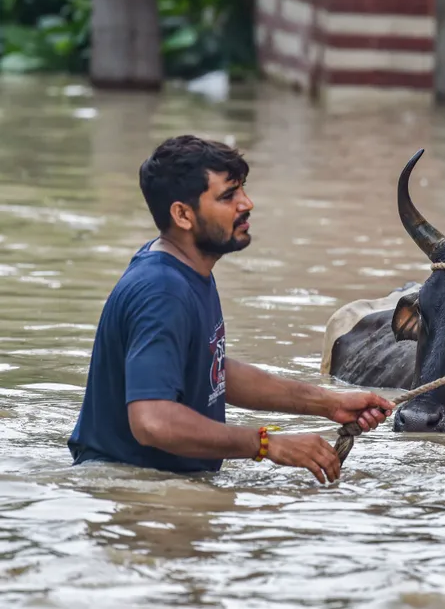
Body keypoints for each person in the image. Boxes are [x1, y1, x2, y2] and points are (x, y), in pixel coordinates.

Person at [67, 135, 394, 483]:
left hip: (163, 482)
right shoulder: (162, 291)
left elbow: (212, 369)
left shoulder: (184, 269)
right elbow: (153, 421)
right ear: (182, 214)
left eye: (242, 190)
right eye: (228, 196)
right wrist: (266, 444)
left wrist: (328, 404)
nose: (247, 203)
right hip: (135, 487)